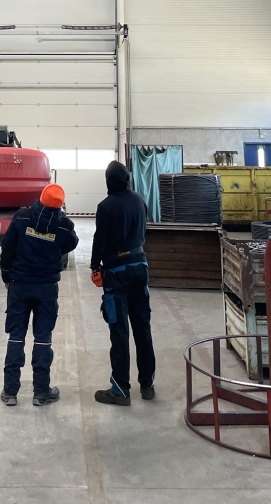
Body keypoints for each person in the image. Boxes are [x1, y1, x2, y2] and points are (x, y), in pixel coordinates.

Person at [0, 182, 78, 407]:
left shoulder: (22, 217)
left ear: (41, 197)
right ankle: (41, 392)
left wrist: (6, 276)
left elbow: (8, 248)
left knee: (16, 336)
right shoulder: (64, 226)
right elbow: (71, 243)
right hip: (46, 289)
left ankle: (10, 392)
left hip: (19, 286)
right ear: (60, 205)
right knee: (43, 338)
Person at [90, 160, 156, 406]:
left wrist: (95, 266)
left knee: (119, 330)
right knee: (142, 326)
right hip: (140, 267)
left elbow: (100, 240)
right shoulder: (139, 200)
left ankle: (120, 390)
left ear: (108, 181)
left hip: (117, 272)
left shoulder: (106, 206)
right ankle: (147, 384)